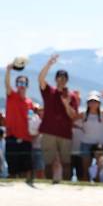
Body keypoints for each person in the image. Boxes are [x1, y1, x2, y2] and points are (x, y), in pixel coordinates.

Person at [38, 54, 78, 182]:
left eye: (64, 77)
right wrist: (49, 64)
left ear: (67, 80)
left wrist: (66, 104)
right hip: (49, 132)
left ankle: (66, 185)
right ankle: (49, 184)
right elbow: (41, 78)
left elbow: (73, 115)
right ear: (55, 79)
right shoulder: (49, 90)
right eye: (59, 77)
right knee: (48, 163)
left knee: (66, 163)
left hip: (65, 133)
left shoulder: (72, 96)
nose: (61, 79)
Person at [4, 62, 34, 180]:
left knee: (26, 169)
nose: (22, 85)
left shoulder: (30, 102)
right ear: (16, 85)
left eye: (24, 83)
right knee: (12, 169)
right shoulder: (11, 96)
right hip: (12, 136)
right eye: (20, 83)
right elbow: (6, 84)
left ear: (27, 85)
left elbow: (31, 120)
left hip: (26, 138)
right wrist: (8, 70)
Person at [77, 91, 103, 181]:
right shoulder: (83, 114)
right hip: (86, 143)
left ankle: (98, 185)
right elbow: (71, 118)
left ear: (99, 103)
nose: (93, 103)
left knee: (100, 168)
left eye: (95, 101)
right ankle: (87, 186)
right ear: (87, 103)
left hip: (100, 144)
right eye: (91, 101)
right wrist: (78, 127)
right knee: (86, 168)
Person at [28, 104, 46, 179]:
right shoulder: (33, 121)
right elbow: (31, 135)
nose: (40, 112)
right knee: (34, 170)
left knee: (41, 170)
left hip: (42, 148)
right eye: (39, 110)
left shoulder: (45, 121)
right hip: (34, 148)